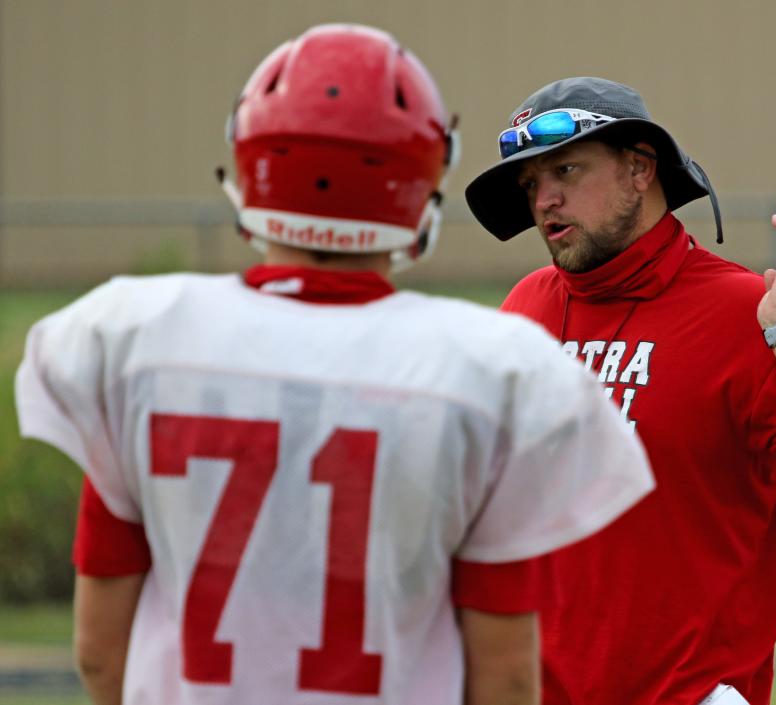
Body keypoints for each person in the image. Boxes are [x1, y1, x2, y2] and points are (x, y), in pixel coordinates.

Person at [14, 39, 656, 705]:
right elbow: (505, 674)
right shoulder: (489, 366)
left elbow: (98, 649)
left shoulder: (135, 338)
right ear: (420, 185)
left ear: (249, 167)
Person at [464, 77, 776, 705]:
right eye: (530, 184)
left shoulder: (746, 312)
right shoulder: (524, 308)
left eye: (566, 169)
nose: (544, 200)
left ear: (640, 169)